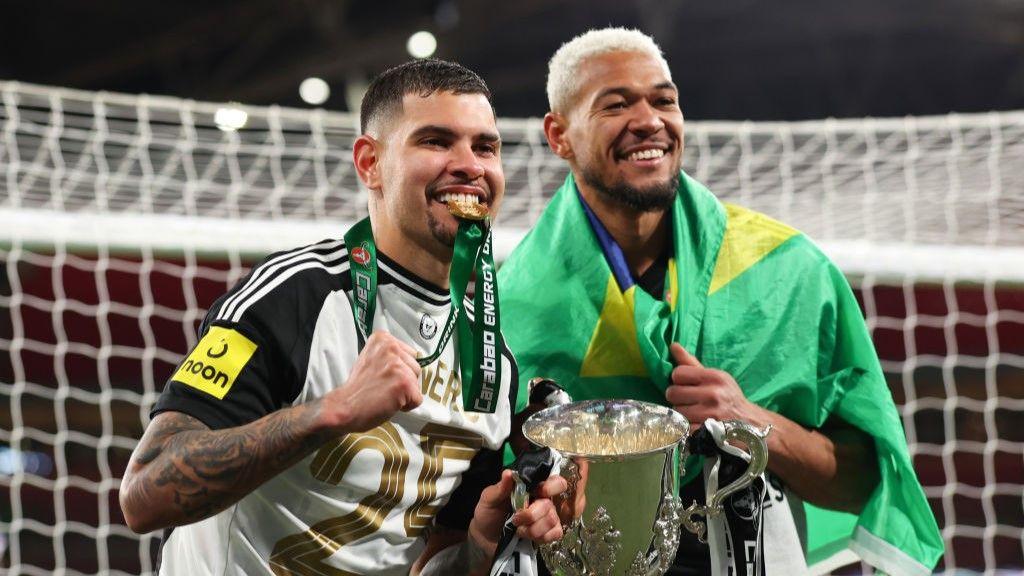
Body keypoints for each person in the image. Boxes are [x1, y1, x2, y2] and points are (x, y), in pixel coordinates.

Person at [498, 28, 943, 575]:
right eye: (616, 104)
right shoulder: (511, 305)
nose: (650, 120)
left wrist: (747, 420)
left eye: (664, 100)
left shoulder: (787, 270)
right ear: (559, 135)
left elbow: (861, 485)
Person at [119, 58, 565, 576]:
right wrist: (332, 412)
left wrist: (480, 545)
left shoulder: (493, 362)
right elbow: (144, 493)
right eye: (436, 141)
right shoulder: (295, 297)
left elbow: (433, 560)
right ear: (370, 164)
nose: (470, 165)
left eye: (485, 147)